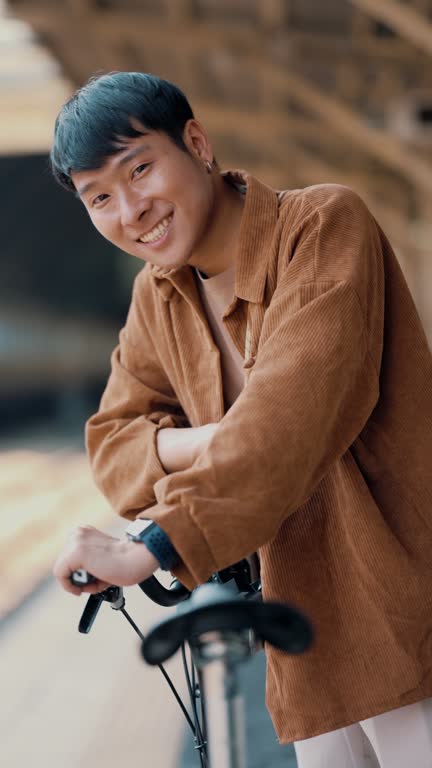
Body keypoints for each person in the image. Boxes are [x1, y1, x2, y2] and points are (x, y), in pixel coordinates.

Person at [51, 71, 432, 767]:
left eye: (140, 170)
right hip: (303, 641)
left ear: (197, 142)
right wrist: (209, 440)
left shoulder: (321, 227)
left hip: (405, 613)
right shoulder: (158, 297)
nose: (131, 210)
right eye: (99, 197)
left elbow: (289, 420)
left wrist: (153, 548)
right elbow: (111, 445)